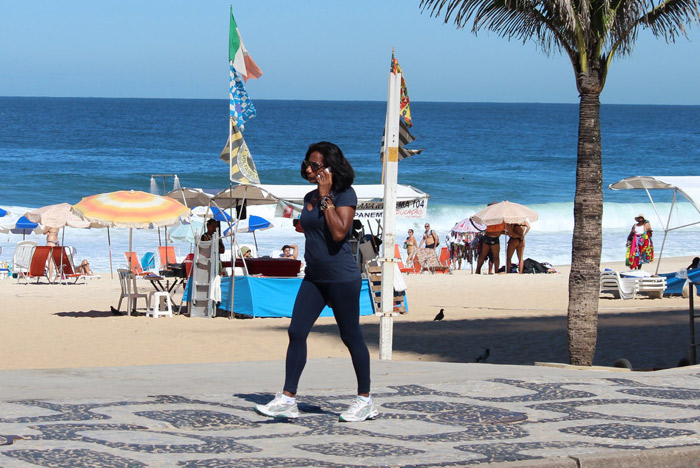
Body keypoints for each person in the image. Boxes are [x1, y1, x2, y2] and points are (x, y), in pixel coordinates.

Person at [255, 141, 377, 422]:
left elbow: (338, 233)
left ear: (330, 168)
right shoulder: (309, 196)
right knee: (296, 331)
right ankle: (288, 399)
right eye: (306, 164)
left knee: (350, 336)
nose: (308, 168)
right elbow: (308, 228)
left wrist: (325, 197)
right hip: (314, 277)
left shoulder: (346, 195)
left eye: (314, 164)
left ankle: (365, 400)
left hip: (342, 279)